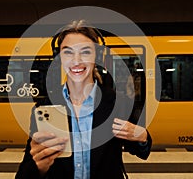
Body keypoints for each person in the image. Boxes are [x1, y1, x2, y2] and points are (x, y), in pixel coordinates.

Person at [15, 20, 152, 179]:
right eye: (68, 52)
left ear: (98, 56)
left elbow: (141, 151)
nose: (76, 60)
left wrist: (142, 136)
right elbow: (24, 174)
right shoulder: (44, 107)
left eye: (85, 52)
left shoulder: (118, 103)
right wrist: (38, 167)